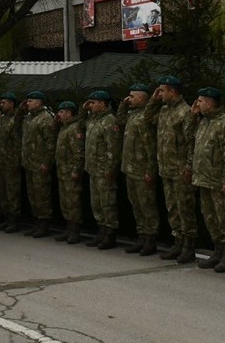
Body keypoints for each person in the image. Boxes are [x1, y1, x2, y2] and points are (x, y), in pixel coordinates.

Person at [190, 86, 225, 272]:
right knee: (210, 217)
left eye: (200, 101)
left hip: (218, 180)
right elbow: (188, 136)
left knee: (224, 219)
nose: (197, 103)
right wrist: (193, 116)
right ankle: (218, 251)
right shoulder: (203, 122)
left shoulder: (223, 122)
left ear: (209, 103)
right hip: (203, 179)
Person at [155, 76, 197, 263]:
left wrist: (189, 166)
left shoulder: (185, 111)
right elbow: (148, 118)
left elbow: (191, 142)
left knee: (185, 208)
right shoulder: (164, 110)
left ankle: (189, 246)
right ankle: (178, 242)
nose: (159, 94)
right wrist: (153, 100)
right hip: (166, 169)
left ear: (172, 91)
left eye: (162, 90)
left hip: (180, 170)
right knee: (172, 208)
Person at [117, 82, 160, 255]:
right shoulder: (133, 115)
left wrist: (150, 170)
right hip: (130, 169)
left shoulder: (145, 118)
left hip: (142, 170)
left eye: (132, 96)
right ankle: (141, 236)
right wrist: (123, 104)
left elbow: (150, 146)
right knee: (136, 205)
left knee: (147, 205)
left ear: (142, 97)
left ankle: (150, 239)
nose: (129, 99)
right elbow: (120, 121)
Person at [83, 89, 122, 249]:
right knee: (96, 204)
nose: (90, 105)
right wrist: (83, 109)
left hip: (104, 171)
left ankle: (110, 234)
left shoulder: (109, 121)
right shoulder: (93, 119)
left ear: (102, 103)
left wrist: (110, 170)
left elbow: (113, 149)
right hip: (93, 169)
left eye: (93, 102)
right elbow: (80, 124)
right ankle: (101, 231)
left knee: (107, 203)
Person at [20, 91, 56, 238]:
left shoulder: (45, 118)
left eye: (30, 101)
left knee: (42, 195)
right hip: (29, 163)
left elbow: (50, 143)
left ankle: (44, 224)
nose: (27, 103)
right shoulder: (29, 118)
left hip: (39, 164)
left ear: (38, 102)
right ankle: (37, 222)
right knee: (33, 195)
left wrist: (46, 162)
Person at [54, 101, 86, 244]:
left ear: (69, 113)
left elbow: (78, 152)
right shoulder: (63, 127)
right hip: (62, 170)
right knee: (65, 202)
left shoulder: (74, 128)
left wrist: (75, 170)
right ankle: (68, 228)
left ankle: (75, 231)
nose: (58, 114)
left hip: (70, 172)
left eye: (61, 112)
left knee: (73, 202)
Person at [0, 92, 23, 233]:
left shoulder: (16, 117)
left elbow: (17, 139)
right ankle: (6, 218)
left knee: (12, 193)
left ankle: (14, 221)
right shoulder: (2, 118)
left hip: (11, 162)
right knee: (1, 192)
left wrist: (15, 161)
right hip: (0, 161)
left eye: (4, 102)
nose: (1, 105)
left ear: (11, 103)